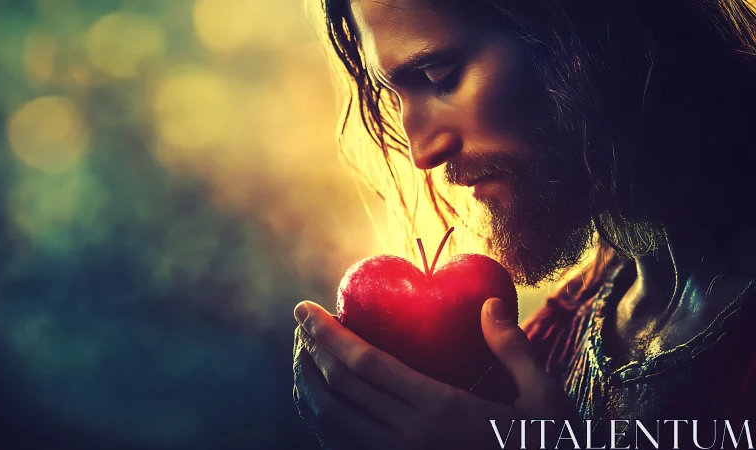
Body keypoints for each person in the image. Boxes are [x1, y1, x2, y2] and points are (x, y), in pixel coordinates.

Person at [292, 0, 756, 448]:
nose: (422, 152)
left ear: (580, 24)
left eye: (440, 77)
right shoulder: (554, 337)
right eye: (394, 95)